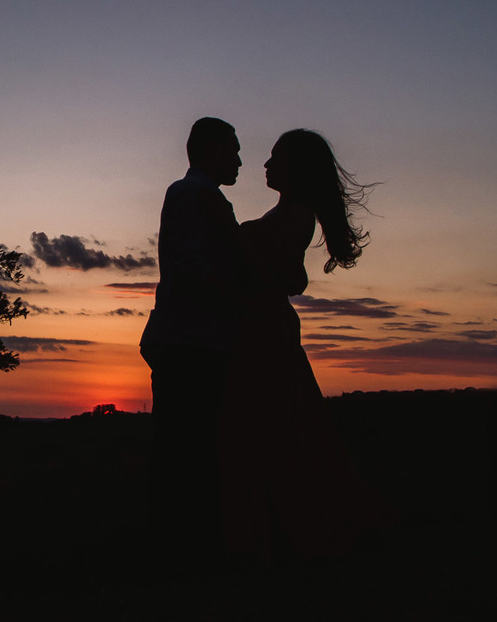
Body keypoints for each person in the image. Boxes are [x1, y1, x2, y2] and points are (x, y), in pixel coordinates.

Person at [217, 128, 389, 561]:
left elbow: (279, 274)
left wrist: (232, 235)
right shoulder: (285, 213)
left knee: (282, 429)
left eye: (276, 157)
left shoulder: (296, 215)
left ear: (297, 167)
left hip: (267, 331)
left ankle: (299, 533)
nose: (266, 164)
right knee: (274, 429)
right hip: (255, 327)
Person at [139, 116, 246, 568]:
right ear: (213, 149)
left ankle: (191, 550)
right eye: (234, 149)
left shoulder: (208, 198)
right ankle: (180, 555)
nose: (240, 160)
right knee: (185, 453)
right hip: (188, 344)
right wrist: (240, 301)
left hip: (199, 342)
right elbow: (187, 267)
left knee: (197, 450)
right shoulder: (189, 194)